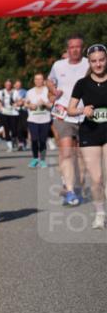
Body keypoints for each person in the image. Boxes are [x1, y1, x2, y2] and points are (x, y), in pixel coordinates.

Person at [68, 43, 107, 229]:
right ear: (89, 63)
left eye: (101, 60)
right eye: (94, 61)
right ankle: (100, 213)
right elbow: (71, 109)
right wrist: (83, 109)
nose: (98, 64)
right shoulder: (82, 84)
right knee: (97, 178)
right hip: (90, 133)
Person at [49, 34, 90, 206]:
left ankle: (77, 185)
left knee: (81, 153)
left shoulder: (90, 63)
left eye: (78, 47)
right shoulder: (58, 65)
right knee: (66, 151)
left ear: (82, 48)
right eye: (71, 47)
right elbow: (50, 80)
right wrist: (53, 90)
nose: (75, 50)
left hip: (85, 114)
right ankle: (70, 190)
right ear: (67, 48)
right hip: (64, 114)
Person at [25, 73, 53, 168]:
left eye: (40, 79)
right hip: (32, 119)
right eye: (36, 79)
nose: (38, 81)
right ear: (34, 81)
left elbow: (52, 105)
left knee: (42, 140)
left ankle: (43, 160)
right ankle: (35, 158)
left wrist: (44, 103)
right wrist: (30, 106)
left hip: (45, 120)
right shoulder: (30, 92)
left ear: (43, 80)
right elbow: (25, 104)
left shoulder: (48, 91)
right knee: (34, 139)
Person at [0, 79, 19, 153]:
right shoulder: (1, 92)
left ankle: (14, 139)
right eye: (7, 85)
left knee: (14, 130)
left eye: (9, 85)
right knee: (6, 129)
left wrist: (17, 103)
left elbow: (19, 100)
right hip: (4, 112)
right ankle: (9, 146)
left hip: (13, 112)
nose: (8, 86)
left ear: (11, 85)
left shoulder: (15, 92)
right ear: (4, 85)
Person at [13, 79, 29, 151]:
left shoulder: (25, 92)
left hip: (23, 111)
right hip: (13, 112)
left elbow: (26, 100)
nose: (18, 86)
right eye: (16, 84)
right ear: (14, 85)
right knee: (16, 128)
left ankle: (23, 142)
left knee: (23, 127)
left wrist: (22, 101)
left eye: (19, 85)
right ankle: (20, 142)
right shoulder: (11, 92)